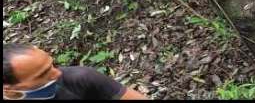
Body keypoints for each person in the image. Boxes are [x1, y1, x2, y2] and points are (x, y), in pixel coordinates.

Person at [3, 44, 148, 100]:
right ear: (9, 89)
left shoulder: (80, 79)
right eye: (42, 74)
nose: (57, 73)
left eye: (52, 65)